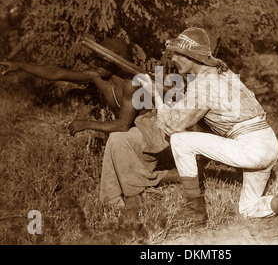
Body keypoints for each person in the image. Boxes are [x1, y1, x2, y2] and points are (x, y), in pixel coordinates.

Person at [137, 27, 278, 237]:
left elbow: (172, 126)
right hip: (268, 143)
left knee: (180, 140)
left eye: (180, 54)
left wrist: (155, 95)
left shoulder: (204, 84)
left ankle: (195, 212)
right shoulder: (222, 72)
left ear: (194, 57)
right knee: (247, 210)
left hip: (250, 146)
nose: (174, 58)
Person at [0, 37, 179, 209]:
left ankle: (142, 190)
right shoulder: (98, 75)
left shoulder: (131, 84)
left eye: (103, 62)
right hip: (132, 131)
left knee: (117, 138)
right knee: (116, 140)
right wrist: (21, 66)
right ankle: (115, 198)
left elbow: (123, 125)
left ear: (116, 62)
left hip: (153, 130)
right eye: (96, 60)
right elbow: (59, 73)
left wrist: (86, 124)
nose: (97, 65)